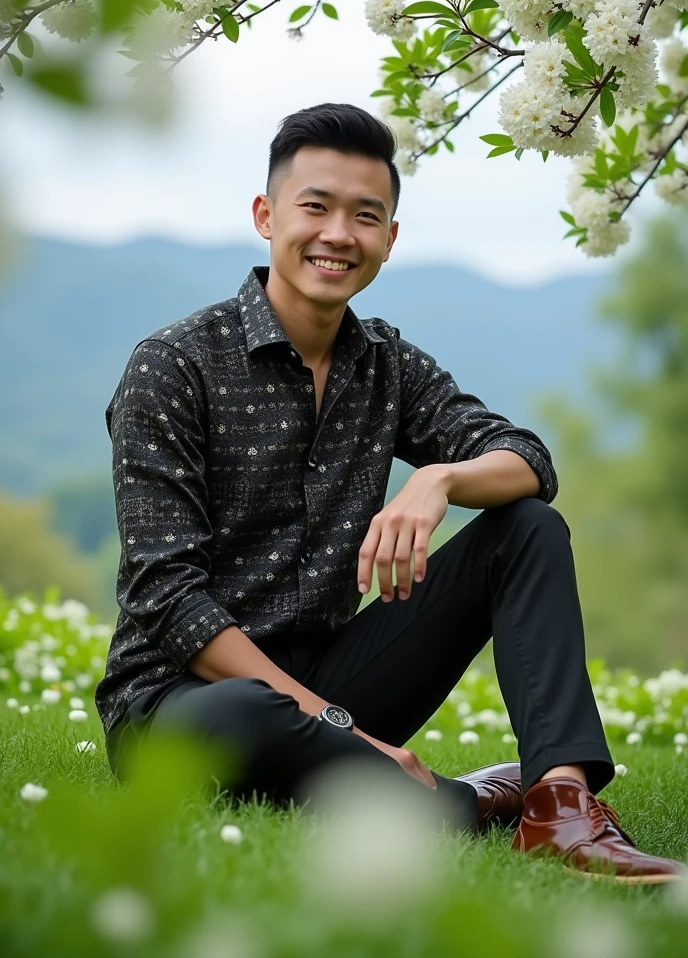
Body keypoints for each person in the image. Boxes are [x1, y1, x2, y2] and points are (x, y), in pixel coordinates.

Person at [96, 102, 685, 883]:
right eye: (316, 207)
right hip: (188, 703)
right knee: (249, 713)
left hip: (334, 676)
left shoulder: (387, 366)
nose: (339, 233)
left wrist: (440, 478)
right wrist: (343, 728)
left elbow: (528, 458)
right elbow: (166, 594)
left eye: (365, 216)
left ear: (389, 240)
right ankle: (464, 802)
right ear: (266, 217)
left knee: (528, 528)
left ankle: (561, 806)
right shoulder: (172, 366)